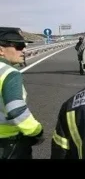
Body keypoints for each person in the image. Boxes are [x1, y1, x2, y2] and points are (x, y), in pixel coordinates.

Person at [0, 27, 44, 159]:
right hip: (8, 143)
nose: (24, 50)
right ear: (1, 50)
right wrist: (36, 131)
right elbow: (16, 111)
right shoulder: (9, 73)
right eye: (18, 46)